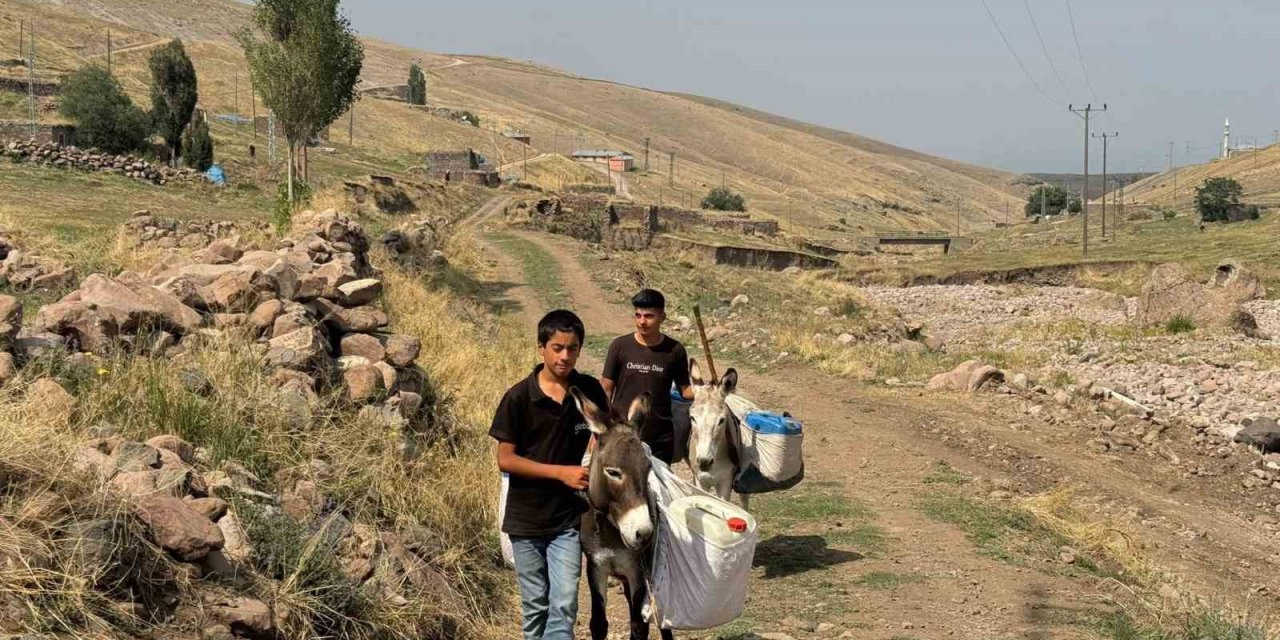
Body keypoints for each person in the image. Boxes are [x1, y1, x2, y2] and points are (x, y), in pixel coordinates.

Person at [490, 309, 607, 640]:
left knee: (566, 603)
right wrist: (561, 473)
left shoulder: (587, 391)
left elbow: (605, 434)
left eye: (572, 349)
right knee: (536, 606)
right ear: (541, 347)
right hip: (525, 520)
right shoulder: (518, 398)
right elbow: (506, 459)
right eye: (557, 347)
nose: (565, 356)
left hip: (567, 520)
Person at [602, 289, 693, 464]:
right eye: (638, 316)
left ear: (662, 317)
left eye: (649, 316)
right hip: (622, 435)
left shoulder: (675, 350)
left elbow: (685, 390)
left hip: (659, 438)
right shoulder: (620, 346)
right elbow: (606, 389)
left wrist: (710, 390)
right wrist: (601, 430)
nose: (642, 322)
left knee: (657, 489)